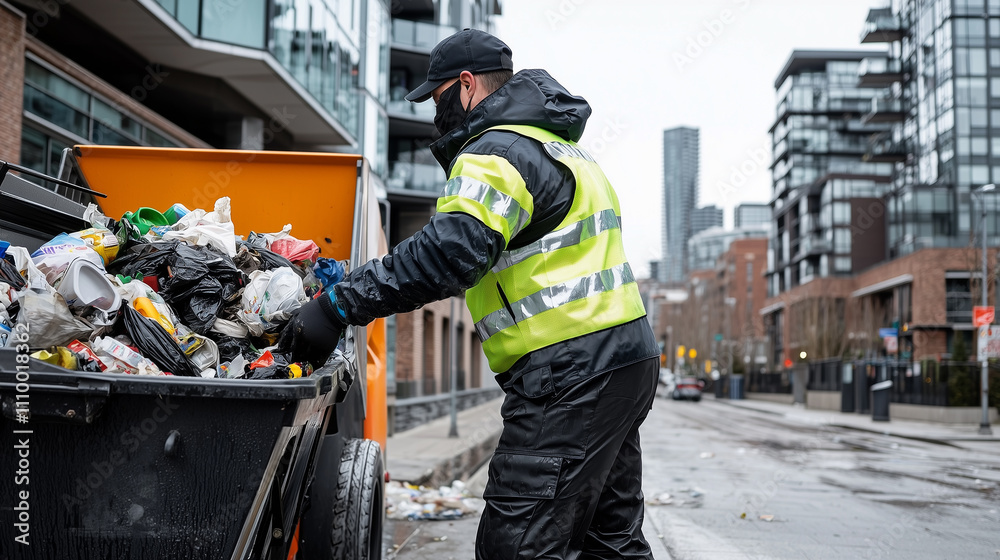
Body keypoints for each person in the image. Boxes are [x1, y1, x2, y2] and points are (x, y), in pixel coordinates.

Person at [282, 28, 660, 559]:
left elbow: (447, 255)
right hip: (624, 361)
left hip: (568, 371)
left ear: (465, 86)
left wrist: (338, 304)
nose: (437, 118)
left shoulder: (494, 150)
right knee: (610, 542)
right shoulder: (564, 151)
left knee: (518, 546)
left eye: (438, 101)